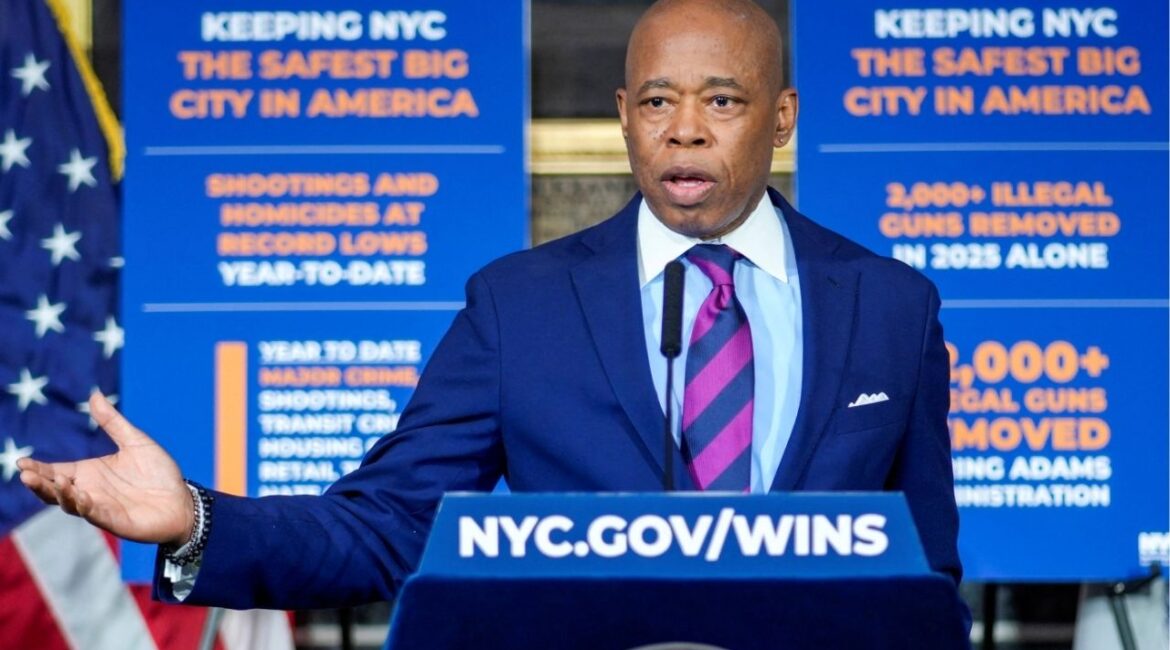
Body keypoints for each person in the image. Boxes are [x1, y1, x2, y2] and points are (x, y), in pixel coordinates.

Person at [20, 0, 961, 611]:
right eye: (657, 103)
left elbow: (928, 576)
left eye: (722, 101)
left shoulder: (891, 307)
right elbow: (390, 526)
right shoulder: (521, 308)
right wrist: (195, 518)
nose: (684, 131)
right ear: (623, 114)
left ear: (782, 117)